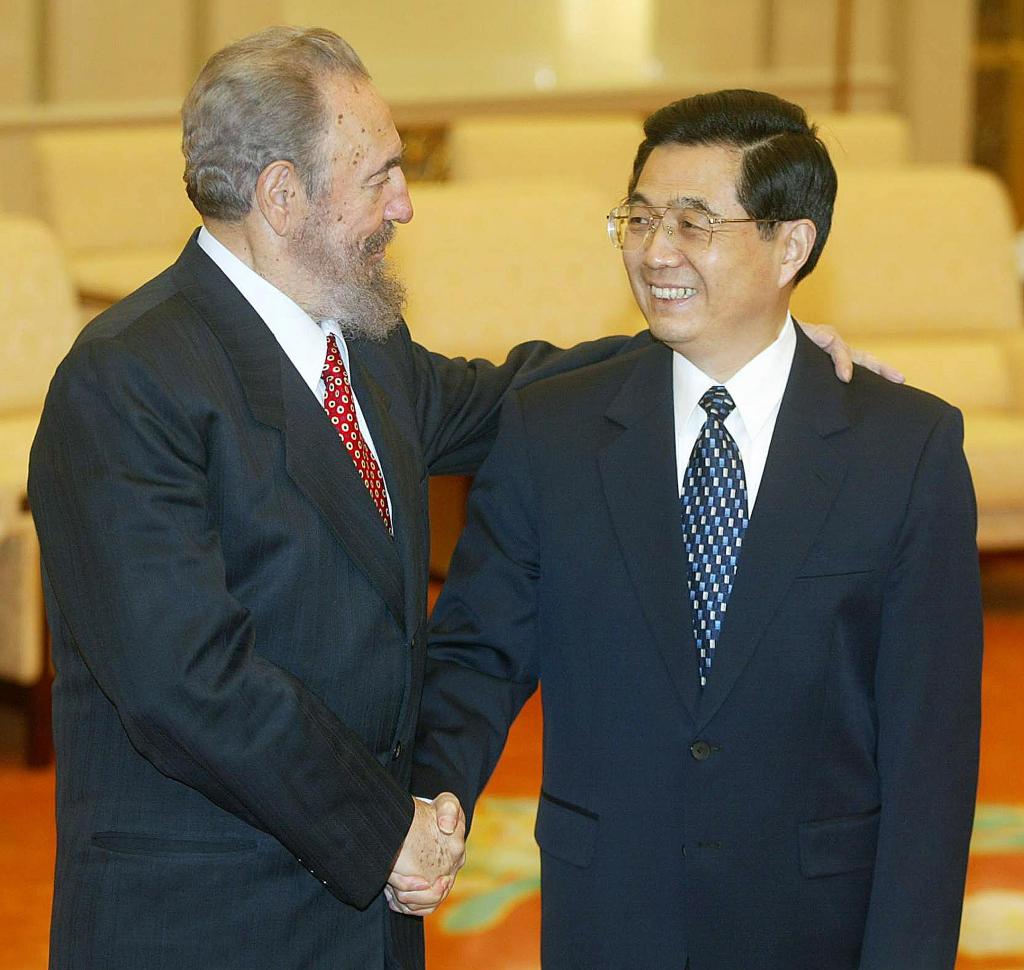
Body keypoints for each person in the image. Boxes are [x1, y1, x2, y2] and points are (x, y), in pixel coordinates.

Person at [28, 26, 875, 968]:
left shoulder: (366, 350)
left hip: (365, 926)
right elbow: (185, 683)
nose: (405, 205)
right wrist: (383, 830)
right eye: (381, 174)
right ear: (281, 195)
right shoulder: (128, 378)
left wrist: (746, 340)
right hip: (204, 920)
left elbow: (523, 397)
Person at [411, 89, 983, 969]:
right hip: (608, 914)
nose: (654, 251)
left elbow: (931, 757)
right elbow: (477, 657)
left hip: (814, 923)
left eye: (693, 221)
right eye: (638, 219)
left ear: (792, 243)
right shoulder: (553, 434)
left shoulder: (904, 449)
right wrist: (428, 802)